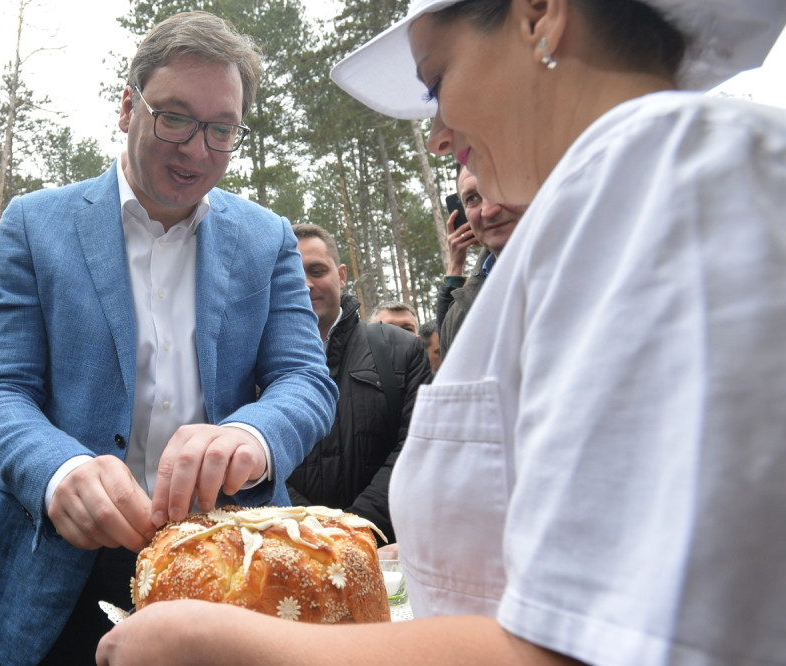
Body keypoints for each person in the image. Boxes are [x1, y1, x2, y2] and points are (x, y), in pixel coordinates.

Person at [96, 1, 786, 665]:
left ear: (541, 12)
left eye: (437, 81)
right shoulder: (597, 211)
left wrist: (218, 644)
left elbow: (615, 640)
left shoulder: (677, 181)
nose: (437, 136)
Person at [0, 11, 336, 665]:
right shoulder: (33, 224)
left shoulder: (268, 237)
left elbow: (305, 380)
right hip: (60, 564)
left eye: (221, 130)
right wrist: (59, 470)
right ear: (128, 104)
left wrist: (250, 436)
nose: (196, 149)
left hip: (232, 565)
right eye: (175, 118)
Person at [286, 224, 431, 543]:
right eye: (292, 273)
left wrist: (358, 531)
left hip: (385, 551)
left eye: (317, 270)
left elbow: (417, 444)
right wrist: (308, 531)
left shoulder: (402, 349)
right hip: (292, 548)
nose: (306, 283)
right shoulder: (255, 362)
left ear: (340, 275)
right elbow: (255, 459)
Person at [434, 163, 524, 356]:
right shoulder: (457, 317)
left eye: (499, 187)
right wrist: (455, 265)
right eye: (472, 198)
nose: (488, 210)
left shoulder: (595, 271)